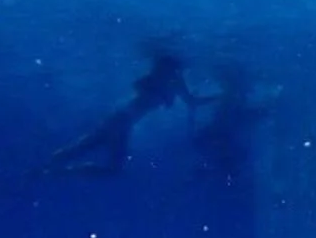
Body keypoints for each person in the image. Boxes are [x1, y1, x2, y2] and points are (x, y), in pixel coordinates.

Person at [41, 44, 205, 177]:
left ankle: (47, 170)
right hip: (122, 121)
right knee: (106, 165)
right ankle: (52, 171)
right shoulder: (166, 80)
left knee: (83, 150)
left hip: (119, 119)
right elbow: (190, 100)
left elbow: (191, 101)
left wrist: (220, 96)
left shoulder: (165, 80)